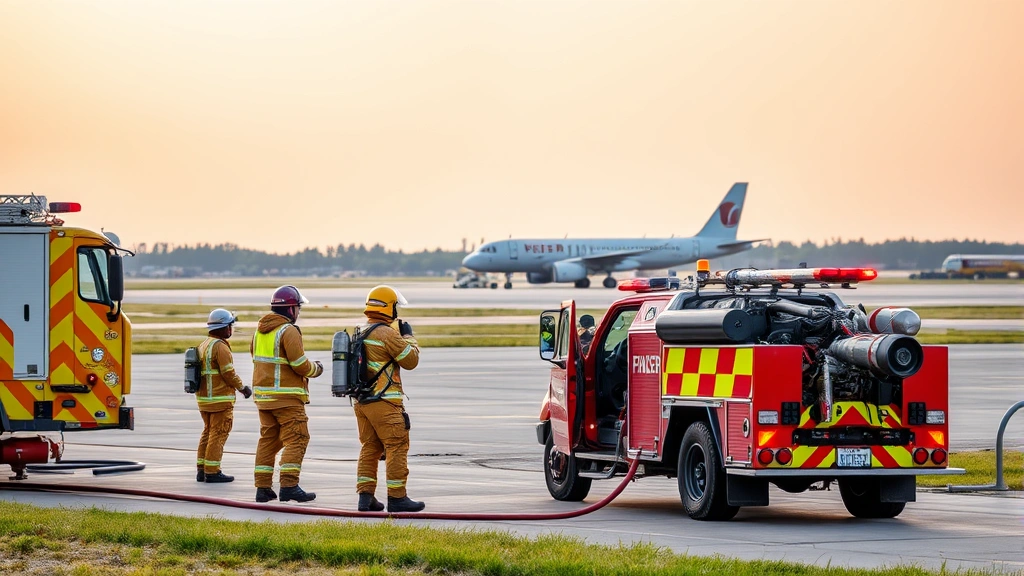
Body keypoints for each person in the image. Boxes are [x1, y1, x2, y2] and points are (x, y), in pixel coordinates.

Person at [352, 285, 423, 513]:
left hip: (362, 402)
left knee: (370, 447)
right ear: (389, 307)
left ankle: (365, 497)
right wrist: (409, 337)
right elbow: (411, 361)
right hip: (384, 401)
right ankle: (397, 497)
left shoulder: (361, 330)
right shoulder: (385, 333)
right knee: (396, 445)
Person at [251, 285, 323, 503]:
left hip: (264, 398)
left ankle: (263, 488)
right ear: (291, 309)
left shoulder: (259, 332)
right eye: (298, 308)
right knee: (298, 438)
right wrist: (317, 369)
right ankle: (289, 485)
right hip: (286, 399)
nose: (299, 312)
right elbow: (299, 364)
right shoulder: (288, 330)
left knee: (268, 441)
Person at [195, 309, 252, 483]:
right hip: (219, 400)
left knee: (208, 432)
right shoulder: (220, 346)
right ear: (224, 327)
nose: (231, 329)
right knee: (218, 434)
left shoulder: (204, 345)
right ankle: (212, 471)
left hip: (204, 400)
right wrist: (242, 388)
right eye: (230, 326)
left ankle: (201, 469)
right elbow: (228, 373)